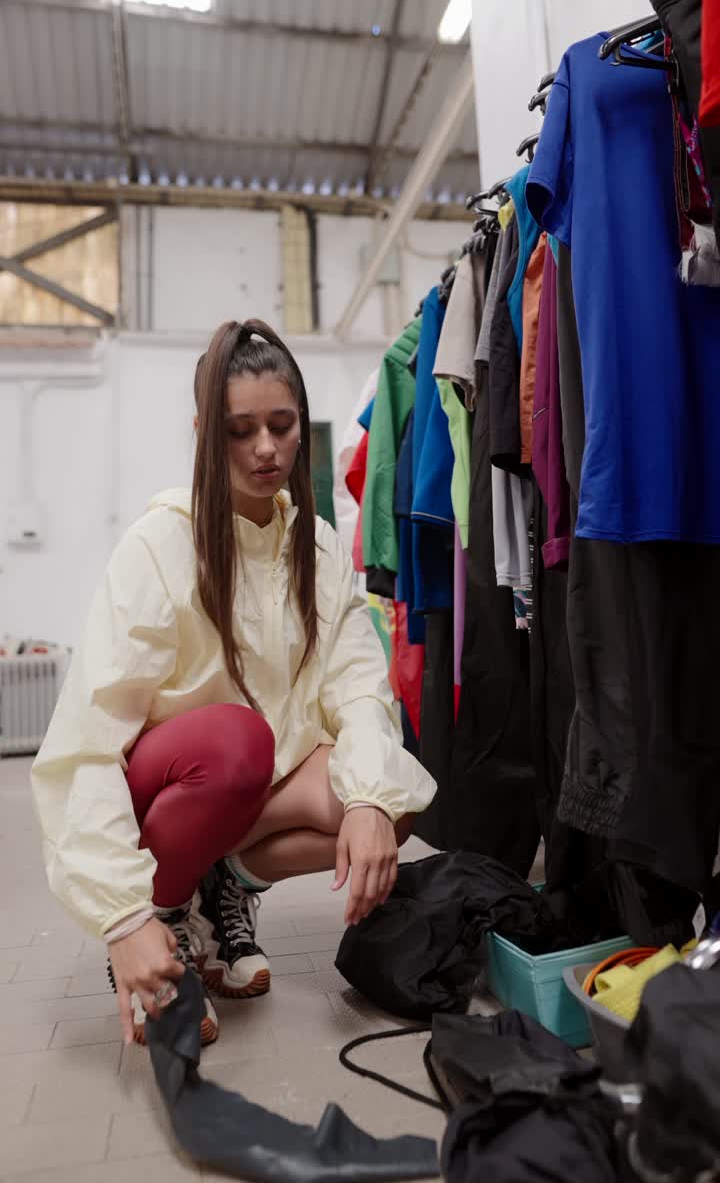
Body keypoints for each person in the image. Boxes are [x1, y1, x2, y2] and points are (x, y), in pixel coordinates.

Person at [31, 320, 437, 1047]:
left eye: (282, 426)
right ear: (202, 432)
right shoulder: (160, 544)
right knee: (236, 742)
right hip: (180, 780)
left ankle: (225, 887)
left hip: (251, 785)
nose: (266, 449)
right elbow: (84, 744)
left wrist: (372, 801)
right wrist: (121, 915)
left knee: (389, 801)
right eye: (239, 430)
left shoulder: (312, 542)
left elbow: (358, 686)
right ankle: (160, 914)